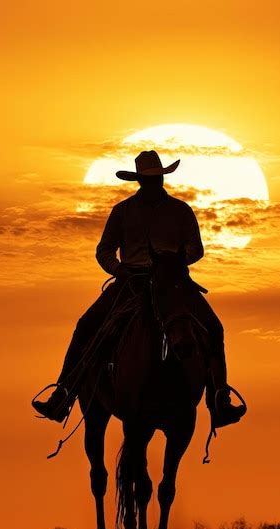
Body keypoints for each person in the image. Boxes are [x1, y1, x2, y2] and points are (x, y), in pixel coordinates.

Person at [32, 150, 246, 428]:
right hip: (130, 283)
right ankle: (64, 392)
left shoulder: (181, 211)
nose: (153, 183)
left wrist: (174, 263)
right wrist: (118, 269)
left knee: (213, 328)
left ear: (161, 178)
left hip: (172, 283)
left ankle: (219, 398)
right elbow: (104, 250)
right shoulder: (122, 212)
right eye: (148, 179)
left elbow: (196, 248)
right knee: (86, 325)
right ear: (140, 182)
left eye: (156, 178)